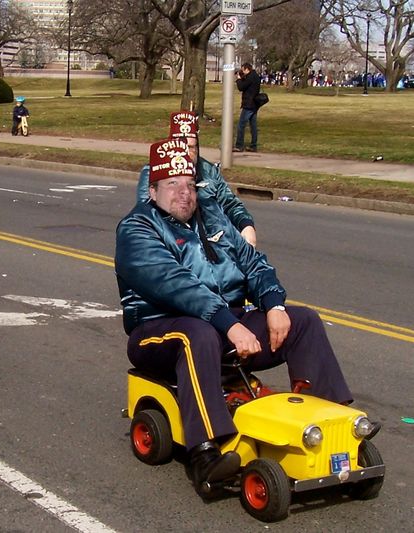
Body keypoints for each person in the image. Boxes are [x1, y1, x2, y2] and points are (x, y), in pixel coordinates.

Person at [115, 137, 358, 497]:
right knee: (196, 333)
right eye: (172, 186)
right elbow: (180, 288)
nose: (184, 194)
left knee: (302, 320)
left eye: (189, 185)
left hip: (224, 326)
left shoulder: (210, 219)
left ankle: (331, 429)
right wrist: (231, 326)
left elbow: (255, 264)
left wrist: (274, 305)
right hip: (159, 330)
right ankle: (206, 454)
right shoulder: (137, 229)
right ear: (152, 191)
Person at [137, 111, 257, 247]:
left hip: (213, 243)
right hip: (172, 243)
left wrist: (246, 225)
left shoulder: (209, 171)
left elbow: (230, 203)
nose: (186, 153)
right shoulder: (154, 171)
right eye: (181, 147)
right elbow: (145, 212)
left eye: (191, 147)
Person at [235, 62, 261, 152]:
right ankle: (253, 145)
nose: (242, 72)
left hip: (248, 104)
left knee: (241, 125)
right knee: (253, 125)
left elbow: (241, 87)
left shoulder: (250, 77)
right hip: (254, 104)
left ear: (247, 69)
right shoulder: (256, 76)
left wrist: (238, 79)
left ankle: (239, 145)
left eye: (243, 70)